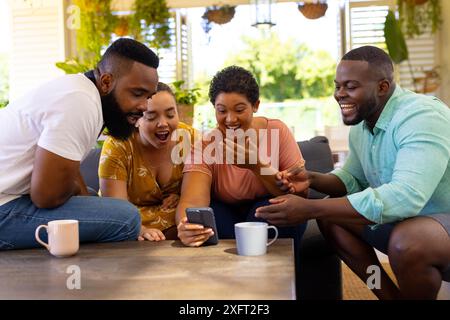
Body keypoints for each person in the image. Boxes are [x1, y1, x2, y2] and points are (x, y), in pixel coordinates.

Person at [256, 46, 450, 300]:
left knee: (409, 241)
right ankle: (388, 295)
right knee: (333, 218)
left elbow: (404, 197)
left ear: (382, 87)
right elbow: (353, 180)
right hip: (411, 224)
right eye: (337, 86)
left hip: (433, 224)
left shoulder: (421, 117)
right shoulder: (363, 125)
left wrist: (310, 209)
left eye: (350, 86)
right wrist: (312, 178)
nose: (339, 95)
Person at [0, 38, 160, 250]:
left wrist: (84, 196)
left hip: (9, 196)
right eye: (137, 93)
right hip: (5, 206)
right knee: (127, 218)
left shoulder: (82, 91)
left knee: (92, 197)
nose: (144, 106)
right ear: (106, 82)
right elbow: (46, 196)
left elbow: (67, 167)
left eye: (149, 96)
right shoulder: (80, 102)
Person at [175, 66, 307, 277]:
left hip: (267, 211)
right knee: (205, 218)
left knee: (280, 209)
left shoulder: (277, 131)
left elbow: (300, 195)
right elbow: (191, 202)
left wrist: (256, 164)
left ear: (255, 106)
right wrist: (185, 226)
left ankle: (280, 289)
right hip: (226, 216)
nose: (230, 119)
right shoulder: (206, 144)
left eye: (239, 109)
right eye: (222, 110)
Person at [99, 82, 195, 241]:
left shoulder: (189, 137)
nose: (163, 123)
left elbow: (202, 189)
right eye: (151, 116)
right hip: (129, 218)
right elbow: (117, 212)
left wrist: (182, 194)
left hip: (174, 217)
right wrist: (140, 229)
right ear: (135, 120)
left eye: (170, 115)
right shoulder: (117, 145)